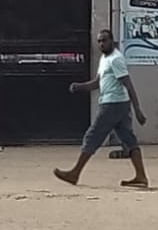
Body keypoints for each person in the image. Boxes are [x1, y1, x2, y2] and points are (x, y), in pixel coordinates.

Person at [54, 29, 149, 189]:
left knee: (93, 135)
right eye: (99, 41)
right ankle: (141, 176)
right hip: (118, 104)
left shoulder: (116, 59)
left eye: (104, 40)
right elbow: (98, 82)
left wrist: (138, 109)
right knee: (128, 139)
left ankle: (75, 173)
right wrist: (80, 87)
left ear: (112, 40)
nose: (101, 44)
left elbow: (128, 84)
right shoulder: (105, 58)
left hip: (113, 104)